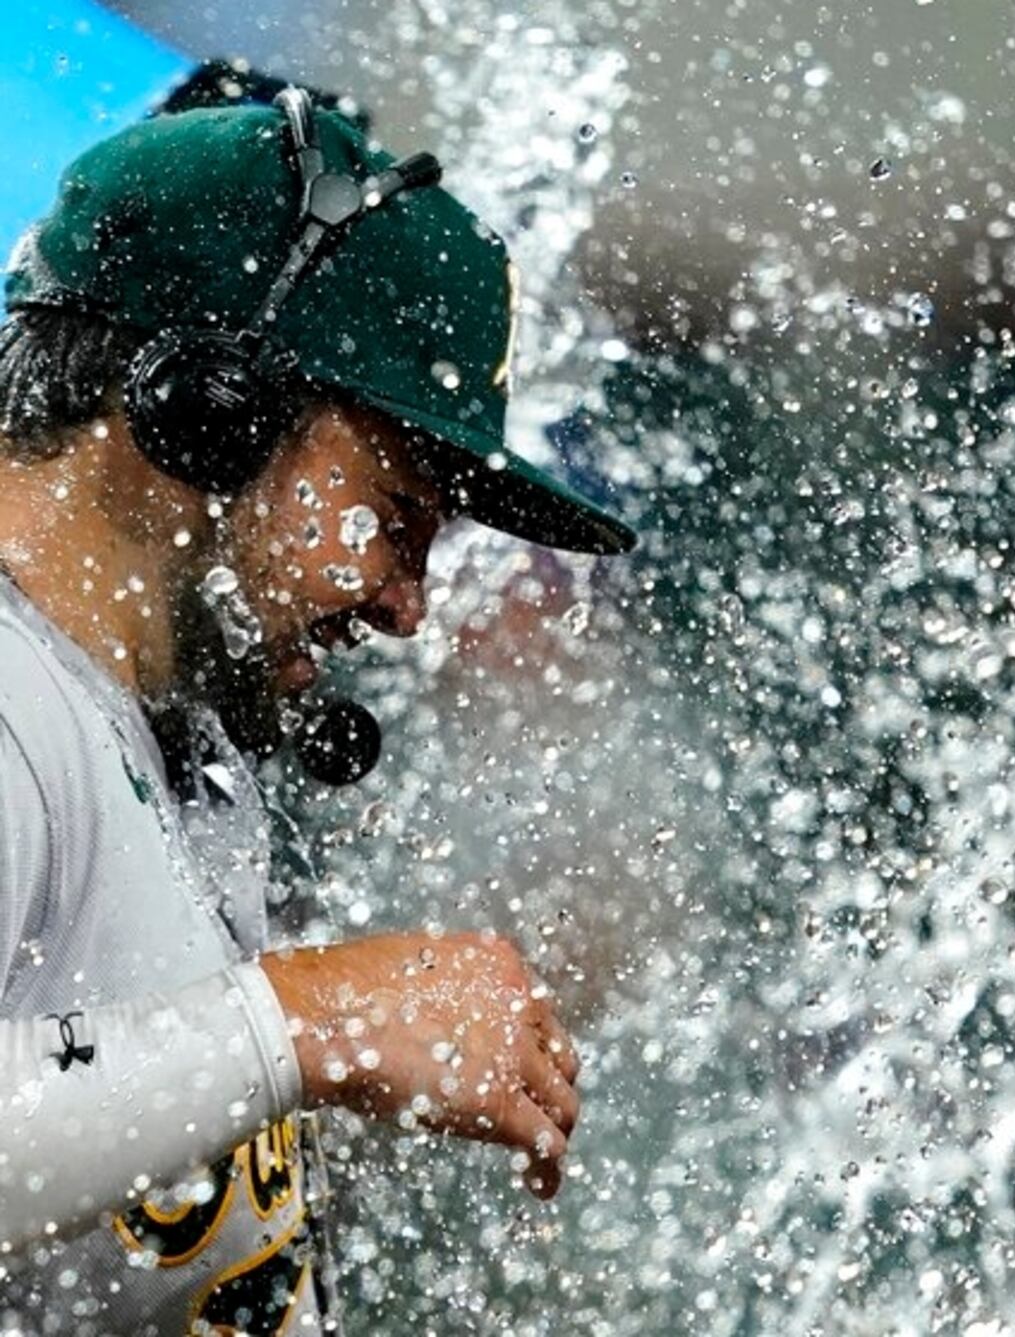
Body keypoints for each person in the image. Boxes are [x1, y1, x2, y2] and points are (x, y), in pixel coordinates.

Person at [0, 89, 635, 1334]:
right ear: (208, 405)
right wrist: (315, 1015)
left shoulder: (159, 724)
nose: (408, 603)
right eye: (397, 511)